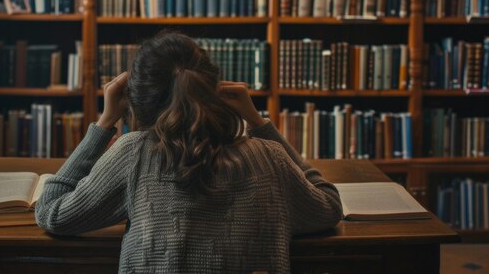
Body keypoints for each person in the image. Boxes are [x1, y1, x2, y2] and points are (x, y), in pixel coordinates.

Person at [35, 31, 343, 273]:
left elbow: (52, 213)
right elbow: (329, 206)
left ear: (136, 100)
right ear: (213, 88)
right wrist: (260, 123)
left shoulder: (135, 153)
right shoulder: (270, 157)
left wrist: (104, 123)